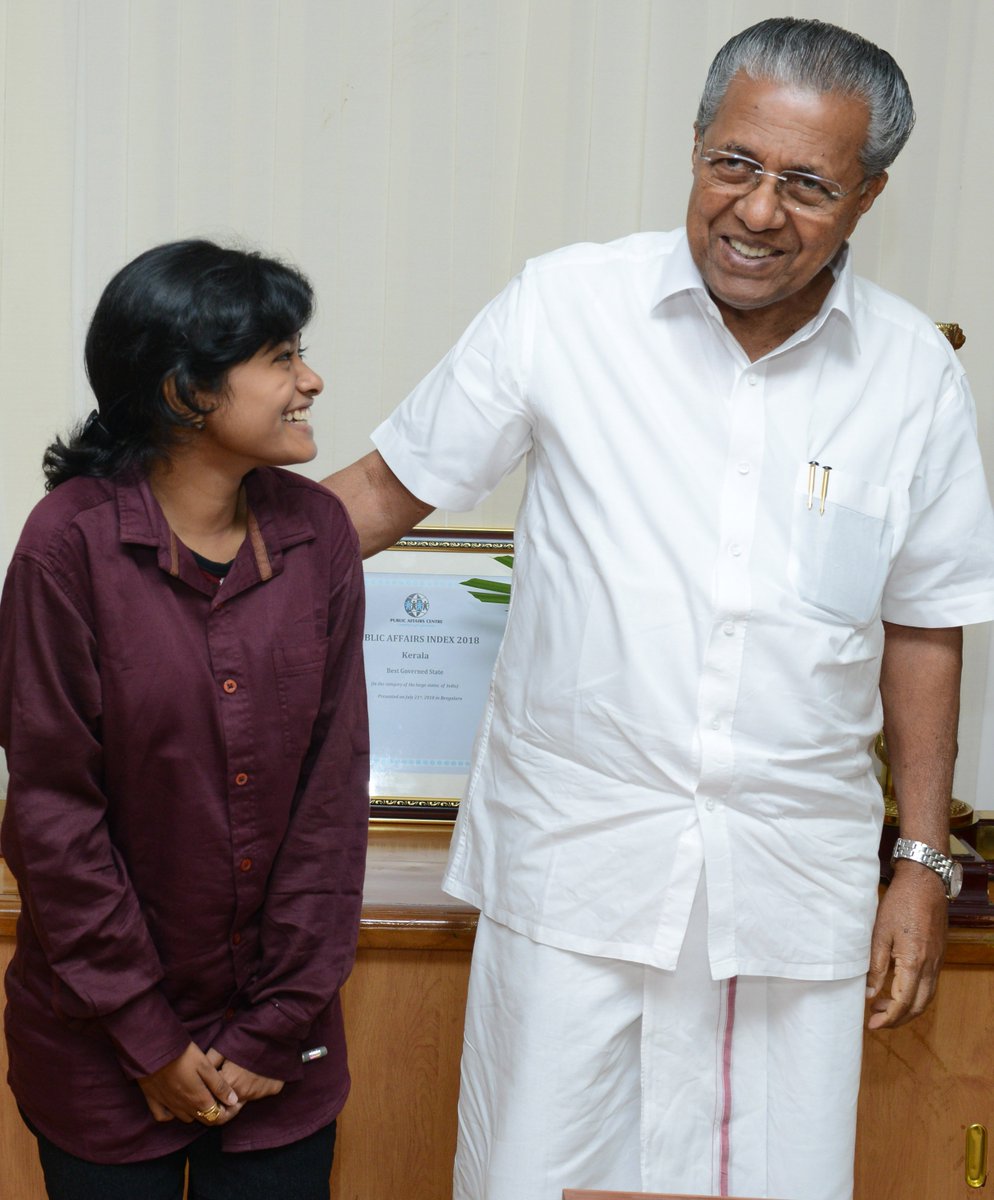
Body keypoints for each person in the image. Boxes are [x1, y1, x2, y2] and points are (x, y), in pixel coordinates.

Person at [325, 16, 994, 1200]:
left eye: (806, 185)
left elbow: (923, 625)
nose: (756, 211)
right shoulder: (566, 304)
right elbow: (383, 493)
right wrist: (169, 554)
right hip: (576, 868)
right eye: (733, 164)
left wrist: (920, 865)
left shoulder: (911, 373)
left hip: (789, 887)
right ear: (693, 147)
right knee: (533, 1177)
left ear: (867, 196)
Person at [0, 240, 369, 1199]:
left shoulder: (319, 535)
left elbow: (331, 800)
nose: (311, 380)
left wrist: (273, 1027)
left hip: (279, 1056)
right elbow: (54, 819)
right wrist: (150, 1038)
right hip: (99, 1050)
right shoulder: (66, 548)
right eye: (281, 358)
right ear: (187, 391)